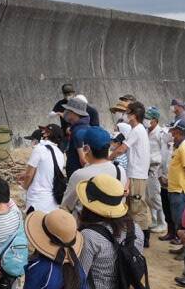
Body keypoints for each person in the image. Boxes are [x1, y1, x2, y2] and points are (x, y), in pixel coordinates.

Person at [60, 127, 125, 214]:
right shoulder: (120, 171)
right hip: (111, 225)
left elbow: (66, 207)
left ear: (86, 149)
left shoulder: (80, 174)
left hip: (85, 225)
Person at [19, 117, 67, 213]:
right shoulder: (60, 154)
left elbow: (29, 175)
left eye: (45, 131)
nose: (42, 132)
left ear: (48, 134)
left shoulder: (39, 149)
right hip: (52, 202)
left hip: (37, 200)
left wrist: (23, 187)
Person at [122, 102, 152, 245]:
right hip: (135, 172)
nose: (126, 115)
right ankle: (139, 235)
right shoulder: (139, 129)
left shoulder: (137, 130)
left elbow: (122, 148)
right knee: (135, 205)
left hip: (137, 174)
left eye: (127, 112)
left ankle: (144, 237)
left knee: (137, 206)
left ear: (133, 115)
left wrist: (109, 157)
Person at [164, 121, 185, 244]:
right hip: (174, 188)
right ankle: (182, 246)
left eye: (173, 133)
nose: (172, 135)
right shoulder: (178, 147)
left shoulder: (184, 148)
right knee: (177, 220)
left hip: (181, 190)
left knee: (182, 221)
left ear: (178, 132)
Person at [145, 107, 172, 233]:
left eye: (148, 118)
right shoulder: (146, 131)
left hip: (156, 168)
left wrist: (164, 172)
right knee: (148, 196)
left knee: (156, 195)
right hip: (146, 167)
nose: (146, 121)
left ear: (155, 120)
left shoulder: (161, 133)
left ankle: (163, 222)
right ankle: (155, 220)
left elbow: (165, 153)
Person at [59, 96, 93, 176]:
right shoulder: (87, 127)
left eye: (68, 110)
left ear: (74, 112)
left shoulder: (78, 132)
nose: (66, 112)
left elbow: (83, 159)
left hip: (77, 174)